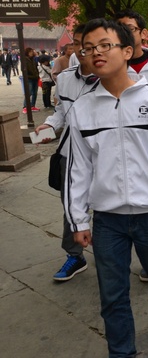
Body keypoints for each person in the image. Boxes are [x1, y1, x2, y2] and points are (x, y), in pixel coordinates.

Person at [64, 18, 148, 357]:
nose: (96, 53)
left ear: (126, 50)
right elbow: (78, 169)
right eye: (88, 48)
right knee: (112, 294)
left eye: (104, 45)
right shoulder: (83, 109)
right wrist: (78, 219)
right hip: (108, 220)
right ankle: (122, 352)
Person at [34, 24, 94, 282]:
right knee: (72, 205)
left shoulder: (113, 77)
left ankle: (114, 253)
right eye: (77, 43)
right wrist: (50, 125)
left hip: (105, 155)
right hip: (71, 154)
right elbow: (61, 112)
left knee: (110, 208)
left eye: (88, 44)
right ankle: (75, 255)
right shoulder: (66, 78)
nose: (81, 49)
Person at [22, 47, 40, 113]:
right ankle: (25, 106)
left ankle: (32, 106)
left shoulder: (33, 59)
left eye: (32, 51)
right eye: (30, 52)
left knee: (35, 93)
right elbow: (24, 70)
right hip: (29, 78)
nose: (31, 53)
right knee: (28, 93)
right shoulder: (25, 60)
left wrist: (37, 75)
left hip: (35, 78)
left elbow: (36, 68)